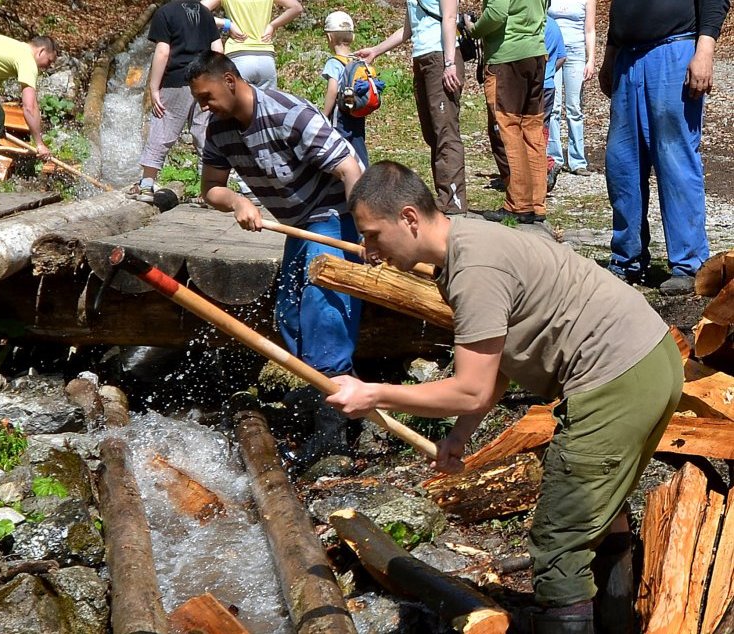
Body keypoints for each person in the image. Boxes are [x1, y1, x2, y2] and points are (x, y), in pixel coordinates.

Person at [328, 161, 683, 634]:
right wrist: (460, 434)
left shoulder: (473, 270)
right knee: (602, 516)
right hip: (651, 361)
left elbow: (471, 388)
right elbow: (494, 371)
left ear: (409, 218)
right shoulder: (468, 242)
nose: (369, 251)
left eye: (373, 235)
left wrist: (374, 393)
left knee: (559, 542)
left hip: (617, 378)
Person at [187, 51, 364, 464]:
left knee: (322, 306)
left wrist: (367, 228)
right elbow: (210, 186)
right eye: (198, 99)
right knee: (289, 309)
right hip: (297, 219)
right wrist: (235, 201)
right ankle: (327, 398)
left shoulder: (287, 113)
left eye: (206, 96)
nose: (203, 106)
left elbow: (349, 167)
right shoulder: (219, 128)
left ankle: (334, 427)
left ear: (230, 81)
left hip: (334, 210)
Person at [599, 0, 729, 295]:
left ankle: (688, 264)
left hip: (674, 51)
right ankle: (626, 259)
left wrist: (705, 51)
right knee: (622, 164)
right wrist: (610, 54)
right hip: (626, 58)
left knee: (675, 161)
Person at [356, 0, 467, 214]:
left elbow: (450, 18)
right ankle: (444, 197)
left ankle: (452, 201)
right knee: (432, 134)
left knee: (445, 132)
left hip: (441, 57)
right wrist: (376, 51)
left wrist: (450, 63)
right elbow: (409, 29)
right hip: (422, 57)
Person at [128, 0, 222, 202]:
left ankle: (146, 185)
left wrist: (154, 87)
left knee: (162, 128)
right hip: (206, 81)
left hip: (177, 81)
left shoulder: (165, 12)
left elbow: (163, 52)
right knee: (204, 134)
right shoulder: (205, 14)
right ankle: (211, 191)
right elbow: (218, 49)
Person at [464, 0, 548, 224]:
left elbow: (497, 13)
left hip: (508, 58)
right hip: (537, 54)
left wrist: (474, 30)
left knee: (507, 129)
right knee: (532, 129)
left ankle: (518, 204)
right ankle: (537, 204)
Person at [0, 34, 58, 185]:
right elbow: (30, 107)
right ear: (41, 51)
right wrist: (39, 143)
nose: (49, 66)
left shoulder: (13, 52)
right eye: (49, 61)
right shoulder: (27, 59)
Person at [201, 0, 303, 89]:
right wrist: (273, 25)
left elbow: (198, 11)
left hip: (238, 55)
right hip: (266, 58)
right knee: (267, 107)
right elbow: (296, 7)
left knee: (239, 108)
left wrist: (227, 24)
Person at [547, 0, 596, 177]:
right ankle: (554, 158)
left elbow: (590, 29)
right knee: (553, 107)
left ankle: (577, 160)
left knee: (574, 108)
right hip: (553, 52)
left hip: (576, 52)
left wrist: (591, 59)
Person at [321, 11, 370, 166]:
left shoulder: (333, 62)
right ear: (353, 37)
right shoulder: (358, 61)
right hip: (357, 110)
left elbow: (333, 89)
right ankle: (363, 174)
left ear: (329, 38)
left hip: (340, 113)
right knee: (357, 141)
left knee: (339, 143)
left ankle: (342, 177)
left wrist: (324, 113)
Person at [544, 16, 567, 192]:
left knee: (528, 132)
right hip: (548, 85)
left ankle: (546, 167)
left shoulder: (532, 23)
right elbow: (562, 56)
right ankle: (546, 167)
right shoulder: (553, 24)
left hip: (532, 86)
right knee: (542, 130)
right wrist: (550, 72)